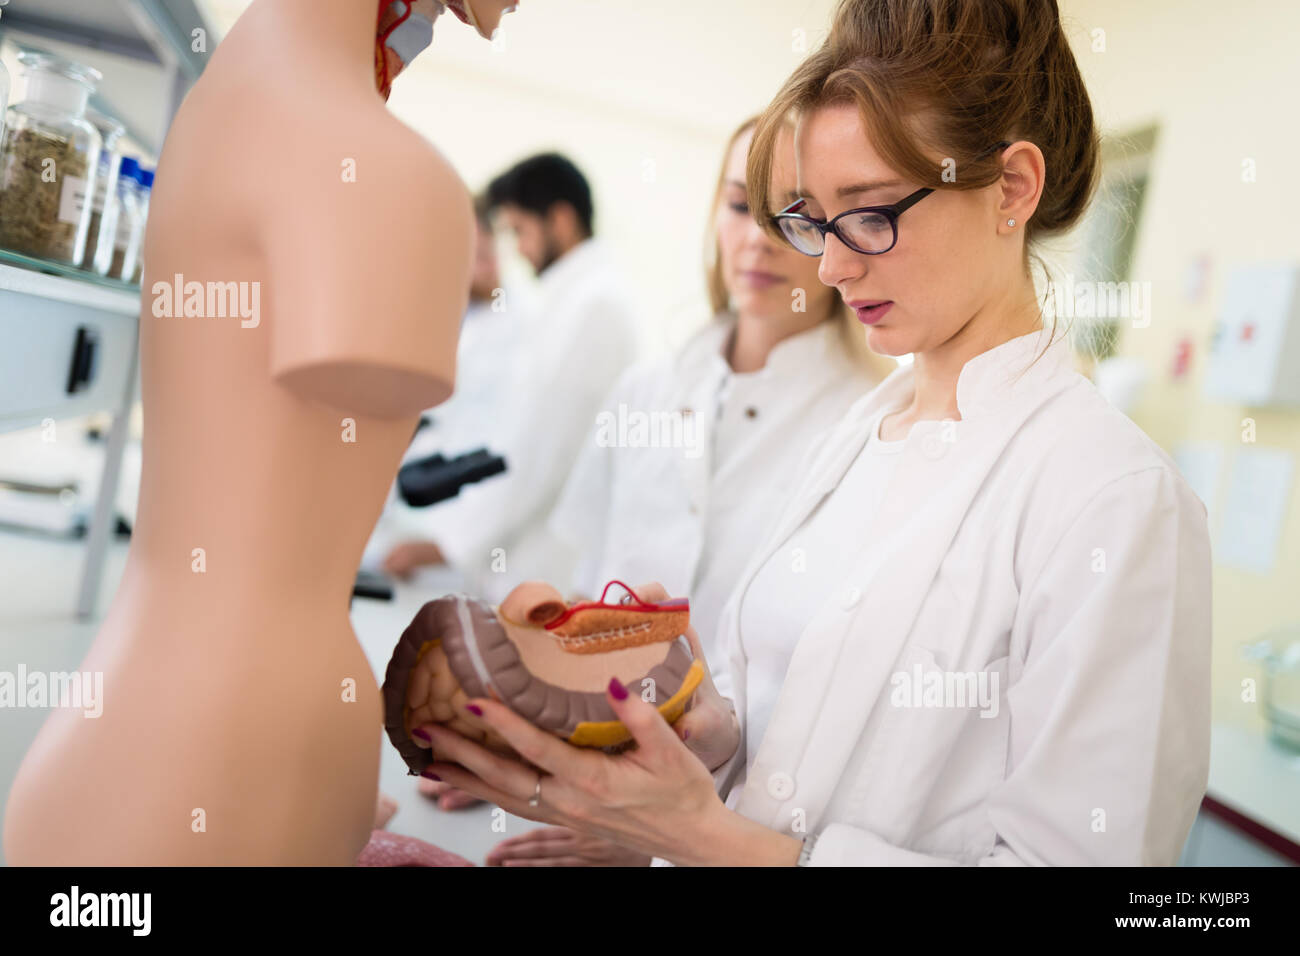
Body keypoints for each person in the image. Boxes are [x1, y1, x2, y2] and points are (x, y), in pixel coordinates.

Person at [406, 0, 1212, 867]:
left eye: (869, 213)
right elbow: (798, 752)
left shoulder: (1114, 500)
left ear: (1012, 187)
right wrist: (686, 749)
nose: (828, 265)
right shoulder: (867, 436)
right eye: (811, 221)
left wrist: (705, 837)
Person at [478, 114, 895, 864]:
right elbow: (585, 602)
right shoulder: (646, 390)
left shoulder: (872, 433)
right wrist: (527, 751)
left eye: (794, 215)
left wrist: (658, 830)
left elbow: (819, 706)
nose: (759, 239)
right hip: (595, 789)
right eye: (740, 206)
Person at [382, 153, 640, 602]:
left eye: (520, 231)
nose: (516, 250)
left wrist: (447, 546)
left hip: (546, 562)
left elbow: (540, 457)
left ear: (559, 220)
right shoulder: (571, 301)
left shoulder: (595, 306)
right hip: (521, 552)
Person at [373, 196, 530, 579]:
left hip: (451, 541)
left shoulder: (521, 330)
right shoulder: (435, 314)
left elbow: (511, 458)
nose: (486, 265)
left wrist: (443, 548)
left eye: (490, 253)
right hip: (398, 519)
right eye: (473, 255)